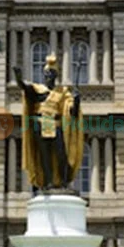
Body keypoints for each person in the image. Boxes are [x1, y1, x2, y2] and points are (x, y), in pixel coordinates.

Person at [13, 53, 83, 190]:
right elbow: (24, 88)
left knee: (61, 154)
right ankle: (48, 182)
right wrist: (18, 78)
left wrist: (76, 100)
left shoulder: (62, 92)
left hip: (55, 124)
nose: (48, 76)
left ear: (55, 75)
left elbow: (72, 112)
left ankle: (64, 182)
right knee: (44, 155)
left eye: (51, 73)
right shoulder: (37, 89)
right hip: (40, 123)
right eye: (46, 73)